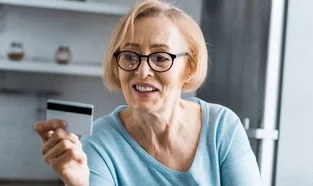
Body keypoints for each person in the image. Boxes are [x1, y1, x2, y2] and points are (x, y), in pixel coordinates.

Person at [33, 0, 261, 185]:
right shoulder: (100, 142)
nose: (142, 71)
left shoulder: (221, 128)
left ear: (189, 68)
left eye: (161, 58)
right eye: (130, 57)